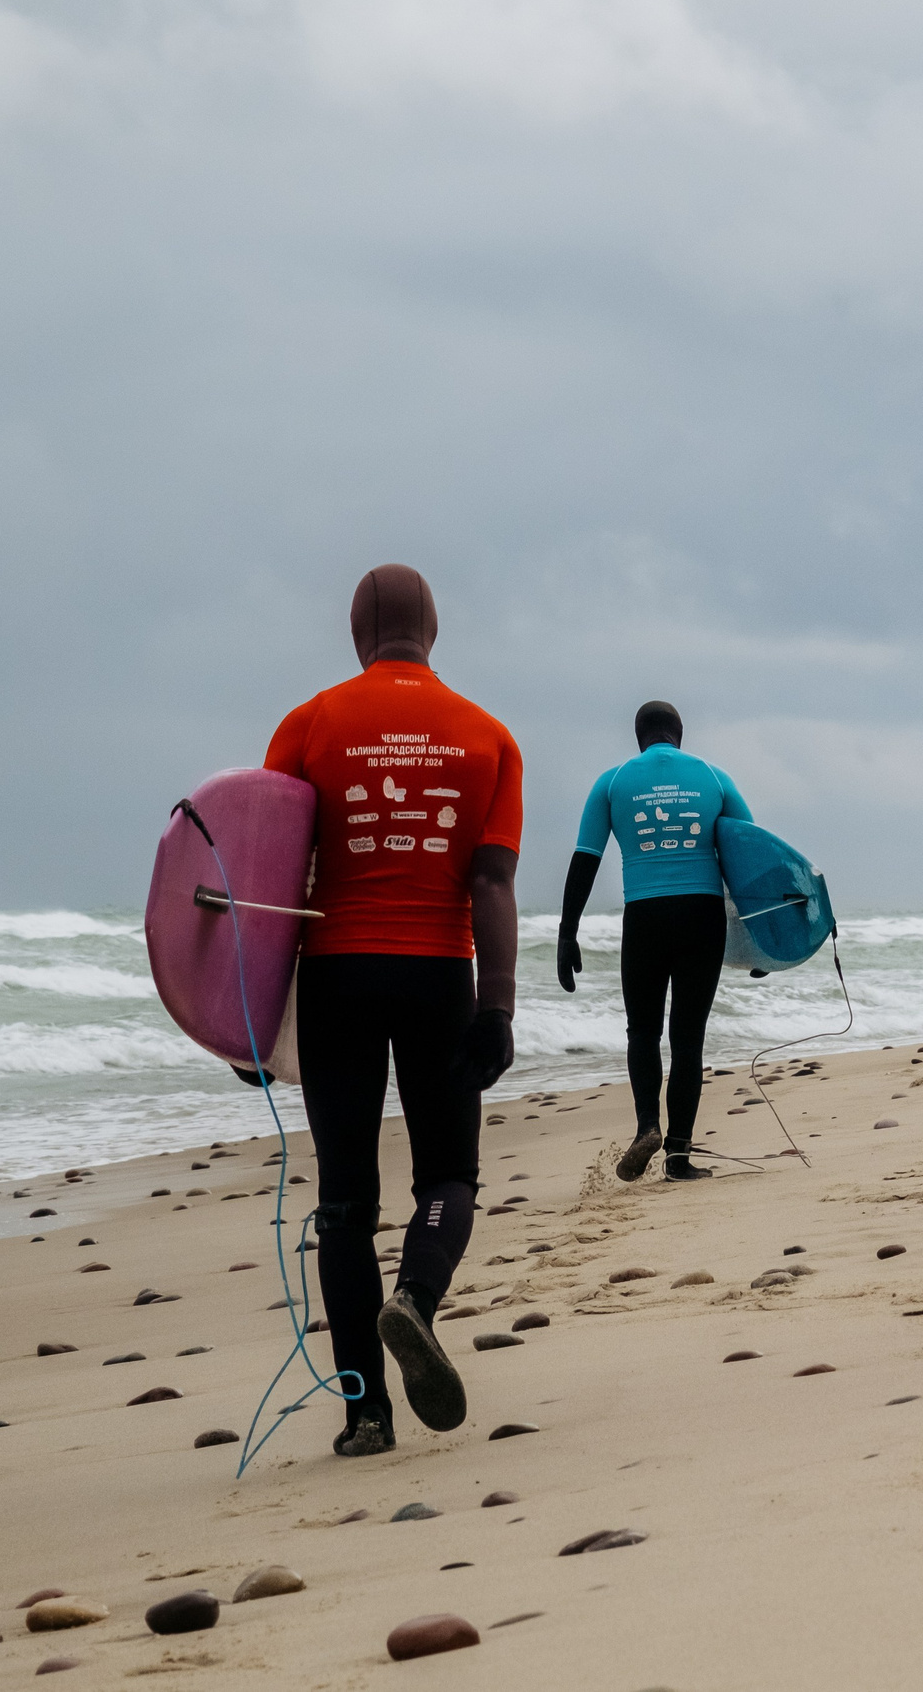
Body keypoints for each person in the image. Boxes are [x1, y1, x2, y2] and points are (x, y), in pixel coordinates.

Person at [262, 563, 522, 1458]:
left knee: (344, 1201)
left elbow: (270, 881)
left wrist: (248, 1016)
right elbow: (492, 880)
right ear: (433, 629)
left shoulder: (307, 724)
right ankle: (414, 1296)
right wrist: (497, 1007)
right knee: (448, 1174)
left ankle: (365, 1415)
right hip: (439, 975)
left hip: (335, 978)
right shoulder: (488, 735)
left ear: (357, 632)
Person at [557, 701, 750, 1183]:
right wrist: (762, 937)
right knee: (688, 1038)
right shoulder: (714, 777)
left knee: (642, 1031)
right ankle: (679, 1157)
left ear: (638, 736)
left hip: (644, 916)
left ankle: (647, 1126)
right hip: (702, 915)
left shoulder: (613, 782)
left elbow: (585, 858)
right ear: (679, 734)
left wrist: (567, 932)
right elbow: (750, 853)